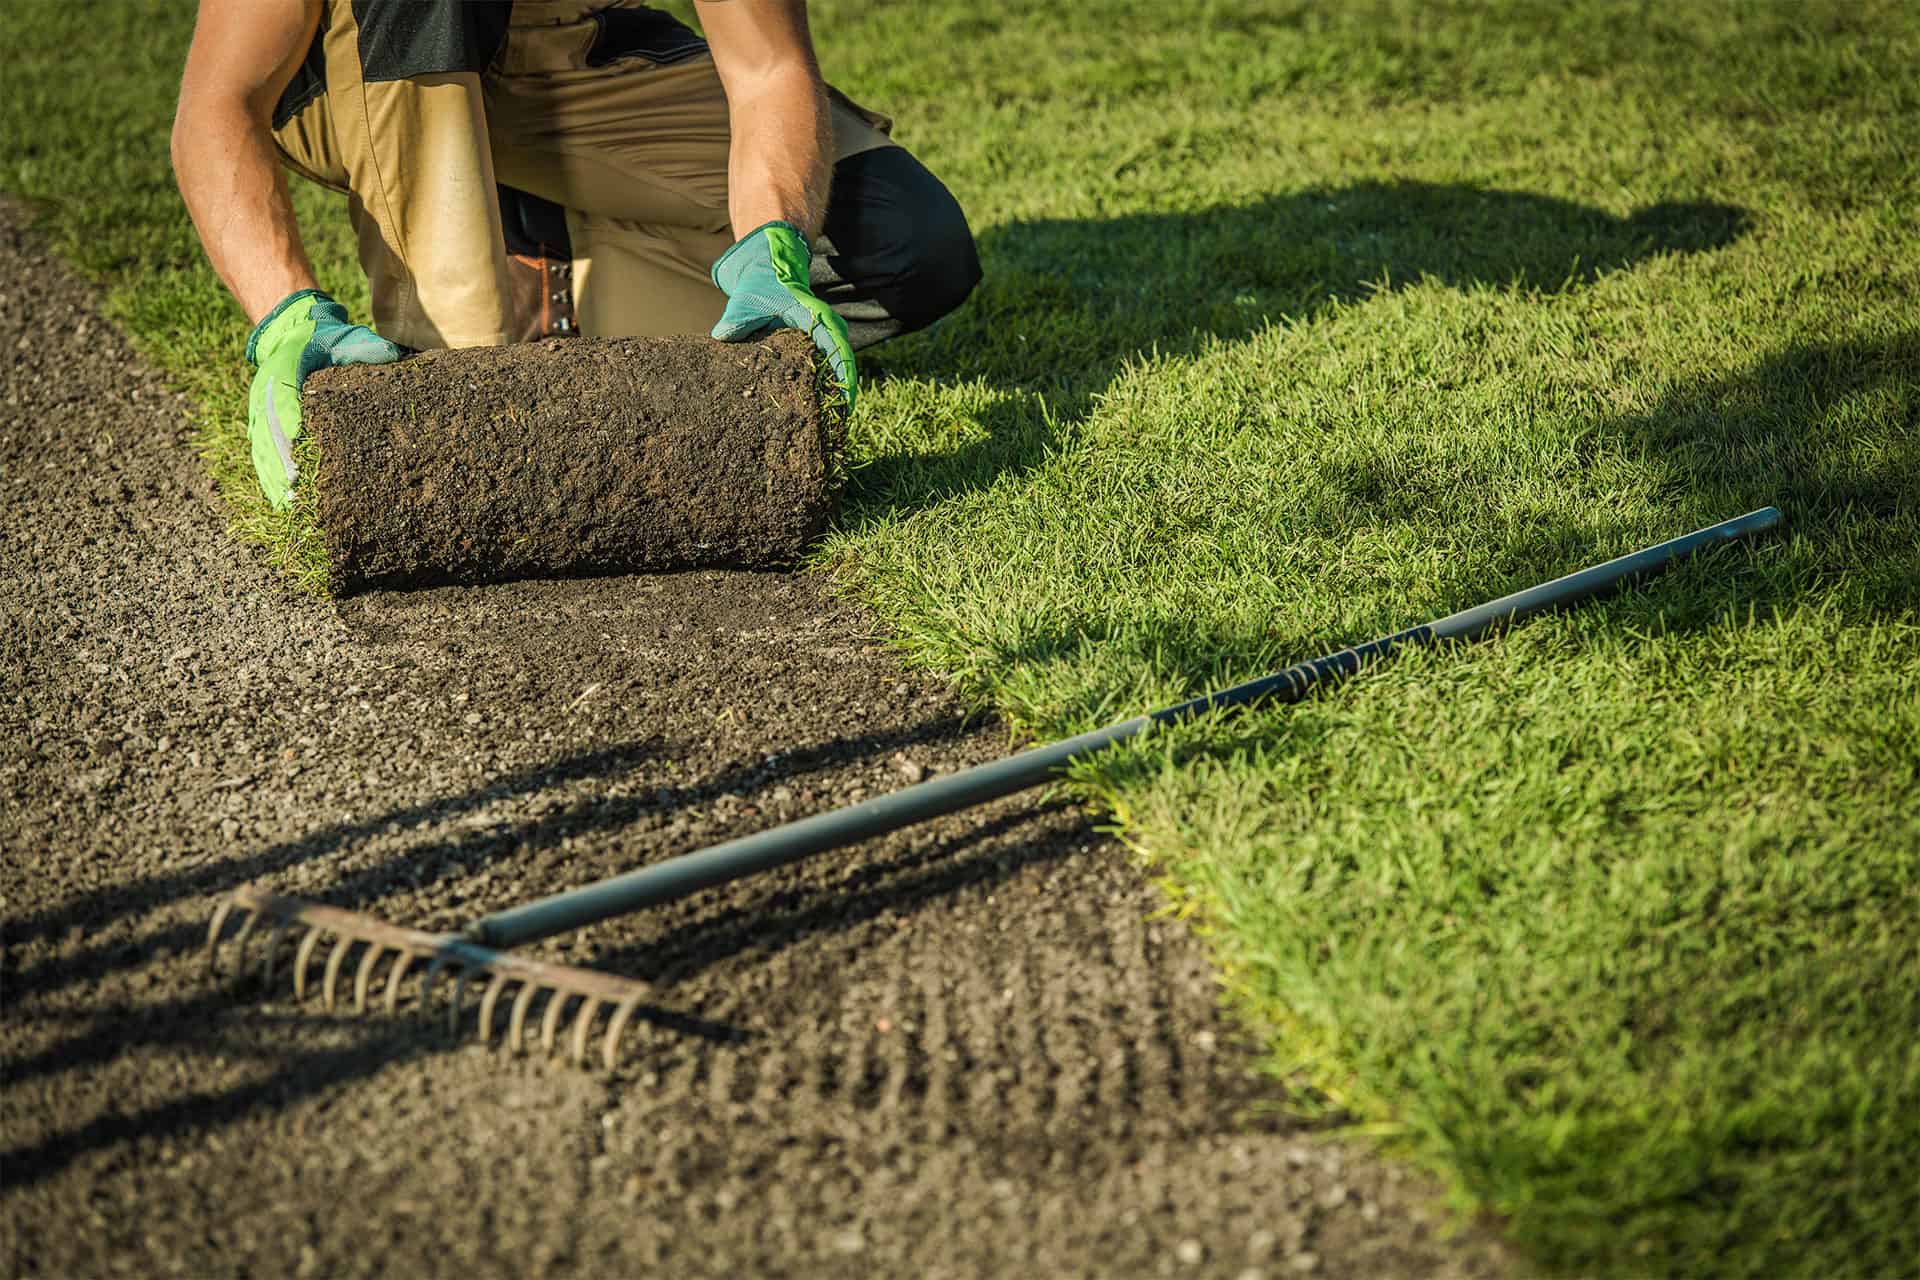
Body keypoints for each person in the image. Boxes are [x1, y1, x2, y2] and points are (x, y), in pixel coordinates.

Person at [171, 0, 982, 508]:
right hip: (364, 55)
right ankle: (452, 351)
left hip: (570, 48)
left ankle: (545, 257)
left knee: (905, 247)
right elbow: (219, 105)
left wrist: (771, 246)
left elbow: (768, 67)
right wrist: (284, 313)